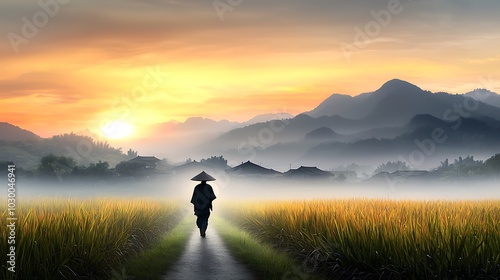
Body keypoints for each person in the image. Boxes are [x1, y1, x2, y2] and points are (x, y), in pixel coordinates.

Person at [190, 171, 216, 237]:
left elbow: (194, 198)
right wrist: (210, 205)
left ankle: (202, 229)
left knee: (200, 219)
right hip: (206, 207)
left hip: (198, 208)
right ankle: (203, 230)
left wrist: (195, 206)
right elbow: (211, 198)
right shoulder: (209, 187)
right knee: (205, 219)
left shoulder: (197, 187)